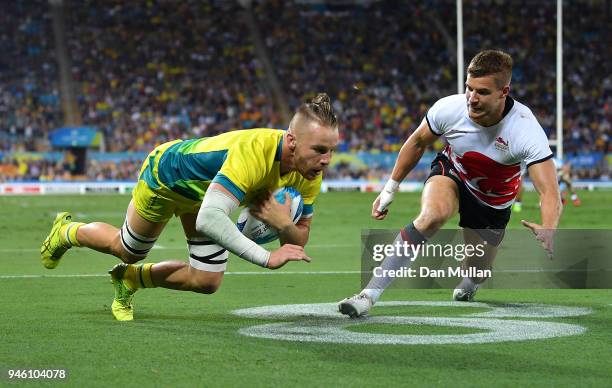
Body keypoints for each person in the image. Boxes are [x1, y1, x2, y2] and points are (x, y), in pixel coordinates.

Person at [41, 93, 339, 321]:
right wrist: (266, 257)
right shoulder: (253, 152)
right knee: (128, 250)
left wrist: (285, 224)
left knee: (207, 281)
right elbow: (210, 218)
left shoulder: (309, 173)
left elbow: (299, 238)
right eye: (319, 150)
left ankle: (129, 279)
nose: (326, 160)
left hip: (206, 195)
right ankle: (67, 231)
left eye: (331, 151)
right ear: (291, 141)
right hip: (168, 177)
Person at [339, 50, 562, 317]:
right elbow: (418, 142)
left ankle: (470, 283)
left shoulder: (525, 130)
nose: (472, 99)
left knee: (477, 272)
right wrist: (390, 188)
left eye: (482, 92)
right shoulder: (449, 108)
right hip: (453, 172)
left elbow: (549, 190)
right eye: (469, 89)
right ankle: (368, 295)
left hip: (493, 200)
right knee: (431, 216)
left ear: (504, 92)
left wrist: (549, 227)